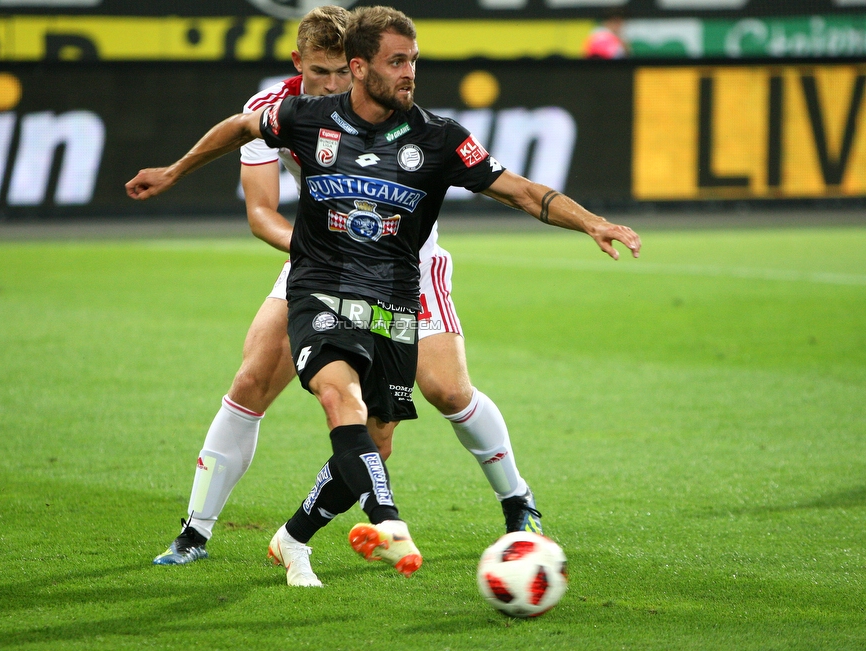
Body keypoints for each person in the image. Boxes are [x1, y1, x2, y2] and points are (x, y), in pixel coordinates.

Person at [127, 5, 641, 587]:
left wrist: (592, 221)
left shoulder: (435, 134)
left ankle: (512, 500)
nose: (336, 83)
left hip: (405, 269)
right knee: (257, 381)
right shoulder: (289, 111)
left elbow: (520, 190)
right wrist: (177, 170)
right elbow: (258, 204)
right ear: (323, 65)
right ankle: (198, 530)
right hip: (318, 260)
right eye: (394, 62)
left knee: (432, 398)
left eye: (412, 61)